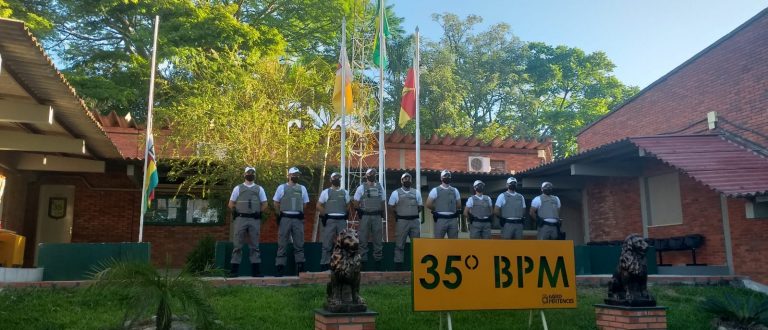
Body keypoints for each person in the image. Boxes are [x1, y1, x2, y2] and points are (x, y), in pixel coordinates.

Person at [228, 166, 268, 277]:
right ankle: (234, 271)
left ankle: (256, 272)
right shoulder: (238, 188)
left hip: (254, 219)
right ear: (244, 174)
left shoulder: (259, 189)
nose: (250, 174)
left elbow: (265, 204)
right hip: (240, 219)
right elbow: (231, 203)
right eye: (248, 173)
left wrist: (259, 212)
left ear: (254, 175)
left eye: (252, 173)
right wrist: (235, 211)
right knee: (237, 244)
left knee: (254, 245)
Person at [273, 167, 310, 276]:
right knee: (282, 242)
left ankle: (300, 267)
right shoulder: (281, 187)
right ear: (289, 175)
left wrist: (299, 211)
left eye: (297, 175)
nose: (295, 176)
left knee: (299, 243)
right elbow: (276, 203)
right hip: (285, 218)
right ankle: (280, 268)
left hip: (297, 219)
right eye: (293, 174)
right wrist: (278, 215)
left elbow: (305, 204)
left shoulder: (302, 188)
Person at [388, 172, 423, 271]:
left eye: (409, 178)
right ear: (401, 180)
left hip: (414, 222)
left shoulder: (416, 192)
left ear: (411, 181)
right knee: (399, 244)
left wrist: (412, 213)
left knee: (416, 244)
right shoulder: (396, 192)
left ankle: (417, 265)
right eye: (405, 179)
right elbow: (391, 206)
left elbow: (420, 206)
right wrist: (398, 214)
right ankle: (398, 266)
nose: (407, 180)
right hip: (402, 221)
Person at [317, 172, 350, 272]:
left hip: (341, 221)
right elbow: (318, 205)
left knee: (343, 244)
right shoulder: (326, 192)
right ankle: (324, 265)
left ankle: (343, 265)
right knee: (327, 243)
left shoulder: (345, 192)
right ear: (331, 180)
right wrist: (325, 214)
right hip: (330, 220)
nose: (337, 180)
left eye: (339, 178)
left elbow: (348, 205)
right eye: (335, 178)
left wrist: (345, 213)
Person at [353, 168, 385, 270]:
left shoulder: (380, 187)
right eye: (370, 174)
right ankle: (363, 263)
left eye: (374, 174)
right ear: (366, 176)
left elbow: (382, 201)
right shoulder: (361, 187)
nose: (372, 176)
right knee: (363, 239)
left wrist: (382, 213)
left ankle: (378, 262)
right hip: (365, 216)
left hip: (376, 216)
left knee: (378, 239)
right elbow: (355, 201)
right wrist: (359, 211)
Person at [426, 170, 461, 239]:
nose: (447, 177)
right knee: (438, 240)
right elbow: (428, 204)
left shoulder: (455, 190)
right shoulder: (435, 190)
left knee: (454, 242)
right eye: (445, 176)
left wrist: (451, 209)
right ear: (441, 178)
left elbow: (459, 205)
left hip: (453, 219)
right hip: (440, 219)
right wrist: (438, 209)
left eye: (448, 176)